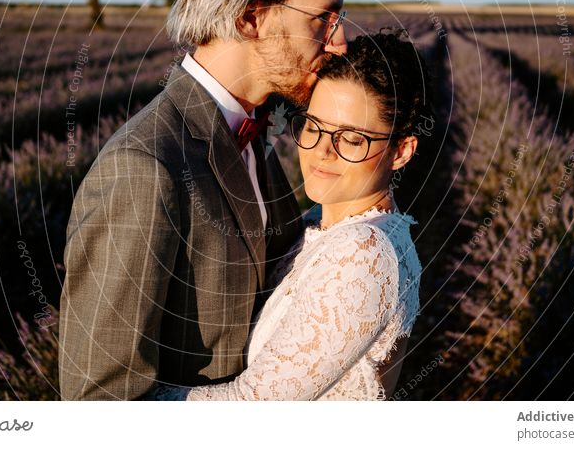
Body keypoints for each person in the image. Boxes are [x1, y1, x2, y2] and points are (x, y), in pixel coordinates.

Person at [58, 0, 356, 400]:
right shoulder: (143, 170)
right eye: (323, 18)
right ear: (250, 18)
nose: (341, 40)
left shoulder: (252, 128)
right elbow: (99, 401)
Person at [153, 30, 432, 400]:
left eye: (351, 139)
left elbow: (255, 406)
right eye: (314, 127)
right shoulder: (323, 223)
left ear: (401, 152)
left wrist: (126, 405)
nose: (322, 152)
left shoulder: (362, 252)